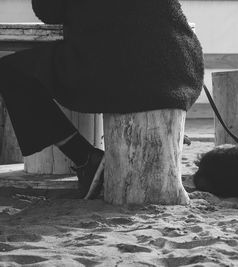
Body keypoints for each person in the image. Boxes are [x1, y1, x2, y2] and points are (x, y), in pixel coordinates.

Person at [0, 0, 204, 198]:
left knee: (10, 73)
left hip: (124, 71)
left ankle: (84, 157)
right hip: (181, 68)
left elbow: (49, 11)